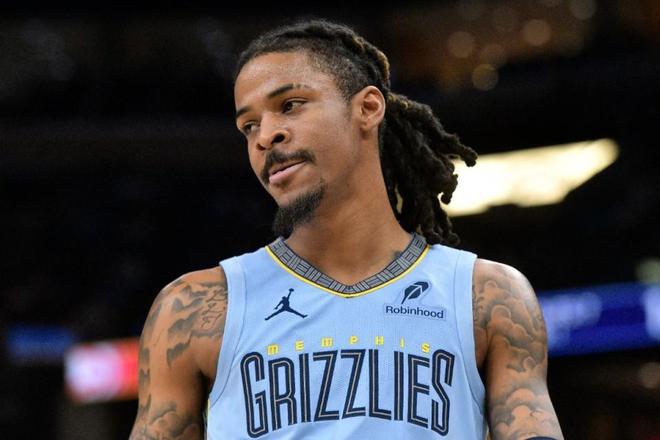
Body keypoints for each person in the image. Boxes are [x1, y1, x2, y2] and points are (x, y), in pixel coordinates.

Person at [129, 18, 564, 440]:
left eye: (290, 105)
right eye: (249, 125)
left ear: (368, 108)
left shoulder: (486, 295)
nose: (265, 137)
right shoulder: (194, 308)